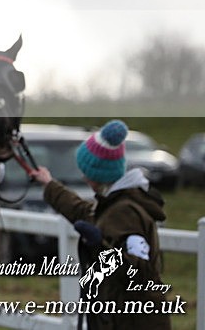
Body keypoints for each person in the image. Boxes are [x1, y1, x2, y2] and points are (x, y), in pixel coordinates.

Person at [31, 120, 171, 329]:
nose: (82, 175)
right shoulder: (114, 205)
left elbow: (139, 272)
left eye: (85, 170)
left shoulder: (125, 212)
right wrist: (49, 184)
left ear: (98, 174)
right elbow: (82, 211)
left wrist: (98, 246)